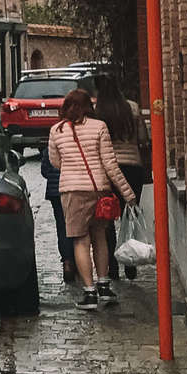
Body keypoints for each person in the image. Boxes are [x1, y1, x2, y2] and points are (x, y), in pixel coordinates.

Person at [46, 86, 136, 309]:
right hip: (98, 188)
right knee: (100, 237)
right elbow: (110, 164)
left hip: (72, 191)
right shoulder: (99, 127)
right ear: (89, 106)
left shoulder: (56, 131)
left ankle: (89, 292)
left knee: (79, 240)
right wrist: (128, 193)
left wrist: (71, 167)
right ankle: (104, 285)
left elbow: (55, 162)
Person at [93, 69, 146, 276]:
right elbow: (142, 137)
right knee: (129, 212)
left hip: (108, 169)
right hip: (133, 166)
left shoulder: (98, 112)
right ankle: (130, 260)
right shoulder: (131, 108)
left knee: (107, 216)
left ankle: (112, 266)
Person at [40, 149, 76, 286]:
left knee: (61, 227)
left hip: (55, 191)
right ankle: (78, 260)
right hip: (73, 189)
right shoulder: (73, 140)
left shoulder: (50, 145)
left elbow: (44, 171)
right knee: (75, 225)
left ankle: (67, 262)